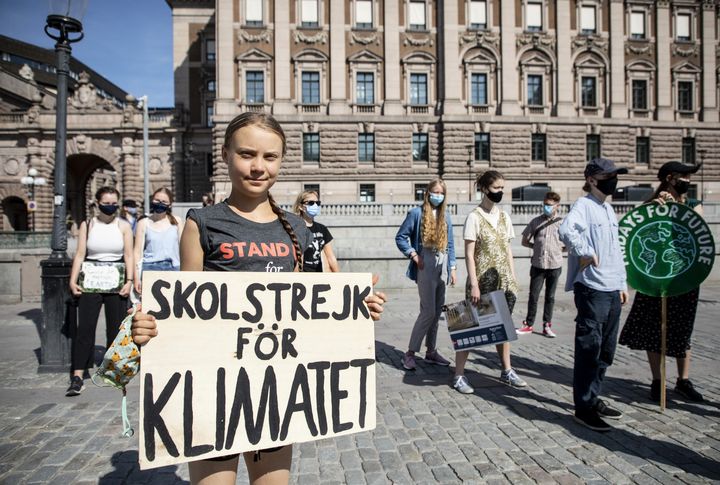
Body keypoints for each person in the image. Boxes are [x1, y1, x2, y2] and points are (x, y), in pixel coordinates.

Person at [130, 112, 387, 485]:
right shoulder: (200, 222)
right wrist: (150, 328)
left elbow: (306, 309)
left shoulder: (296, 228)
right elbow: (182, 311)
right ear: (225, 154)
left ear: (281, 161)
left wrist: (355, 312)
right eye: (247, 154)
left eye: (270, 157)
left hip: (274, 390)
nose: (257, 167)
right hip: (212, 389)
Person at [619, 161, 704, 403]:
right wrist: (654, 208)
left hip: (684, 279)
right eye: (684, 176)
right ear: (669, 178)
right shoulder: (650, 205)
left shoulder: (692, 205)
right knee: (654, 331)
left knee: (682, 330)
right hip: (654, 279)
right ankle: (658, 381)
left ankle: (683, 380)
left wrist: (677, 209)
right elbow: (634, 231)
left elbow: (697, 234)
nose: (688, 180)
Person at [559, 157, 629, 432]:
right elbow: (566, 230)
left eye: (615, 175)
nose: (614, 180)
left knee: (606, 352)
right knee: (589, 350)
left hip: (612, 289)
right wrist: (586, 252)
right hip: (592, 289)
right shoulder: (584, 206)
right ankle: (583, 407)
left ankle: (593, 396)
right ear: (591, 180)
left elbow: (617, 249)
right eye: (609, 176)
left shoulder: (608, 209)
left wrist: (622, 283)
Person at [453, 170, 527, 394]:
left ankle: (507, 370)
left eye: (503, 188)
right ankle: (458, 375)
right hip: (481, 281)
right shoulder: (474, 217)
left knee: (503, 327)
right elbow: (468, 253)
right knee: (468, 328)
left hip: (503, 281)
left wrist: (513, 278)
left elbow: (507, 250)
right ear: (485, 189)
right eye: (496, 188)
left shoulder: (504, 217)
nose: (500, 192)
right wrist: (474, 283)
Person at [66, 186, 134, 396]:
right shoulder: (88, 224)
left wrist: (130, 280)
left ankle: (113, 371)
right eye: (106, 203)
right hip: (92, 278)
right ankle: (78, 375)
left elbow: (129, 255)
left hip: (116, 279)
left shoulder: (123, 226)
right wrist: (72, 279)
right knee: (85, 329)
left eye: (114, 203)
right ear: (97, 203)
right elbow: (79, 254)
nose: (110, 207)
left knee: (115, 329)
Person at [395, 178, 457, 371]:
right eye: (435, 192)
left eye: (441, 193)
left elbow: (451, 244)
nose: (438, 196)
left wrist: (452, 268)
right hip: (425, 264)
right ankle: (410, 354)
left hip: (442, 263)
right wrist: (414, 255)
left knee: (437, 312)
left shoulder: (445, 216)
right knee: (428, 311)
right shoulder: (416, 213)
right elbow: (401, 237)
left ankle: (431, 351)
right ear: (428, 193)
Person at [518, 191, 564, 338]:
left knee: (550, 297)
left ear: (557, 206)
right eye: (545, 205)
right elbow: (524, 241)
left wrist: (559, 250)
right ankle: (529, 324)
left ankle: (547, 325)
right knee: (533, 295)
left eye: (550, 205)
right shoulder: (535, 221)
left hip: (555, 265)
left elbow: (570, 243)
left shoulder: (562, 223)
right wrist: (536, 247)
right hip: (538, 264)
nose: (546, 208)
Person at [133, 187, 183, 295]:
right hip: (150, 268)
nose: (160, 203)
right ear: (152, 201)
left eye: (164, 201)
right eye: (157, 200)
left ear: (169, 204)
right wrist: (136, 277)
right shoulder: (143, 223)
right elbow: (137, 252)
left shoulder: (177, 221)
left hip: (173, 268)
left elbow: (183, 248)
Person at [292, 189, 340, 272]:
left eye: (317, 203)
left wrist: (340, 278)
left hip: (319, 276)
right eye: (311, 203)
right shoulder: (295, 228)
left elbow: (331, 257)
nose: (315, 205)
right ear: (301, 207)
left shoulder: (322, 229)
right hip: (301, 277)